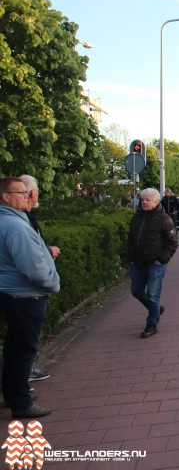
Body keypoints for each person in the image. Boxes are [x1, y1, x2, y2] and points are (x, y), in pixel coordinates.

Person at [0, 177, 60, 418]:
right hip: (25, 296)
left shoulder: (8, 221)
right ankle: (21, 403)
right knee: (24, 349)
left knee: (14, 347)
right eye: (21, 192)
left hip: (11, 292)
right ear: (5, 196)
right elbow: (33, 268)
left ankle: (13, 394)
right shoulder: (15, 226)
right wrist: (52, 282)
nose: (27, 196)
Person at [19, 175, 58, 383]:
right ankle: (21, 382)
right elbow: (29, 256)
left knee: (24, 339)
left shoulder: (21, 219)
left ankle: (22, 376)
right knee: (25, 340)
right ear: (32, 193)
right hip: (28, 291)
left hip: (27, 289)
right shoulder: (21, 220)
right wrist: (49, 282)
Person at [127, 188, 178, 338]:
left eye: (147, 200)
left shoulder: (164, 219)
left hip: (155, 263)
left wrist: (161, 259)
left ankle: (151, 323)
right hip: (137, 262)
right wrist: (130, 257)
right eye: (143, 199)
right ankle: (156, 309)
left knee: (152, 294)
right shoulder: (137, 217)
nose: (144, 202)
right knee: (136, 291)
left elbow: (173, 242)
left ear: (156, 202)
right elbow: (131, 239)